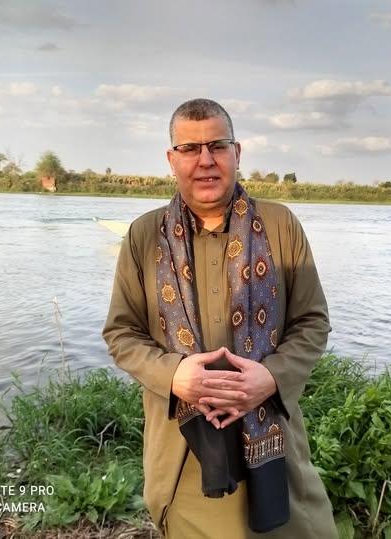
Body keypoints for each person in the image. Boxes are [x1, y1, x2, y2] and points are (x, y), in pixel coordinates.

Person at [103, 98, 337, 538]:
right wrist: (175, 375)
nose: (205, 160)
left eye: (217, 146)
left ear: (237, 152)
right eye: (190, 149)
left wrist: (270, 378)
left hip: (272, 442)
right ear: (172, 159)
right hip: (182, 449)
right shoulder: (143, 235)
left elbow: (312, 321)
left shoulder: (280, 225)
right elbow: (122, 333)